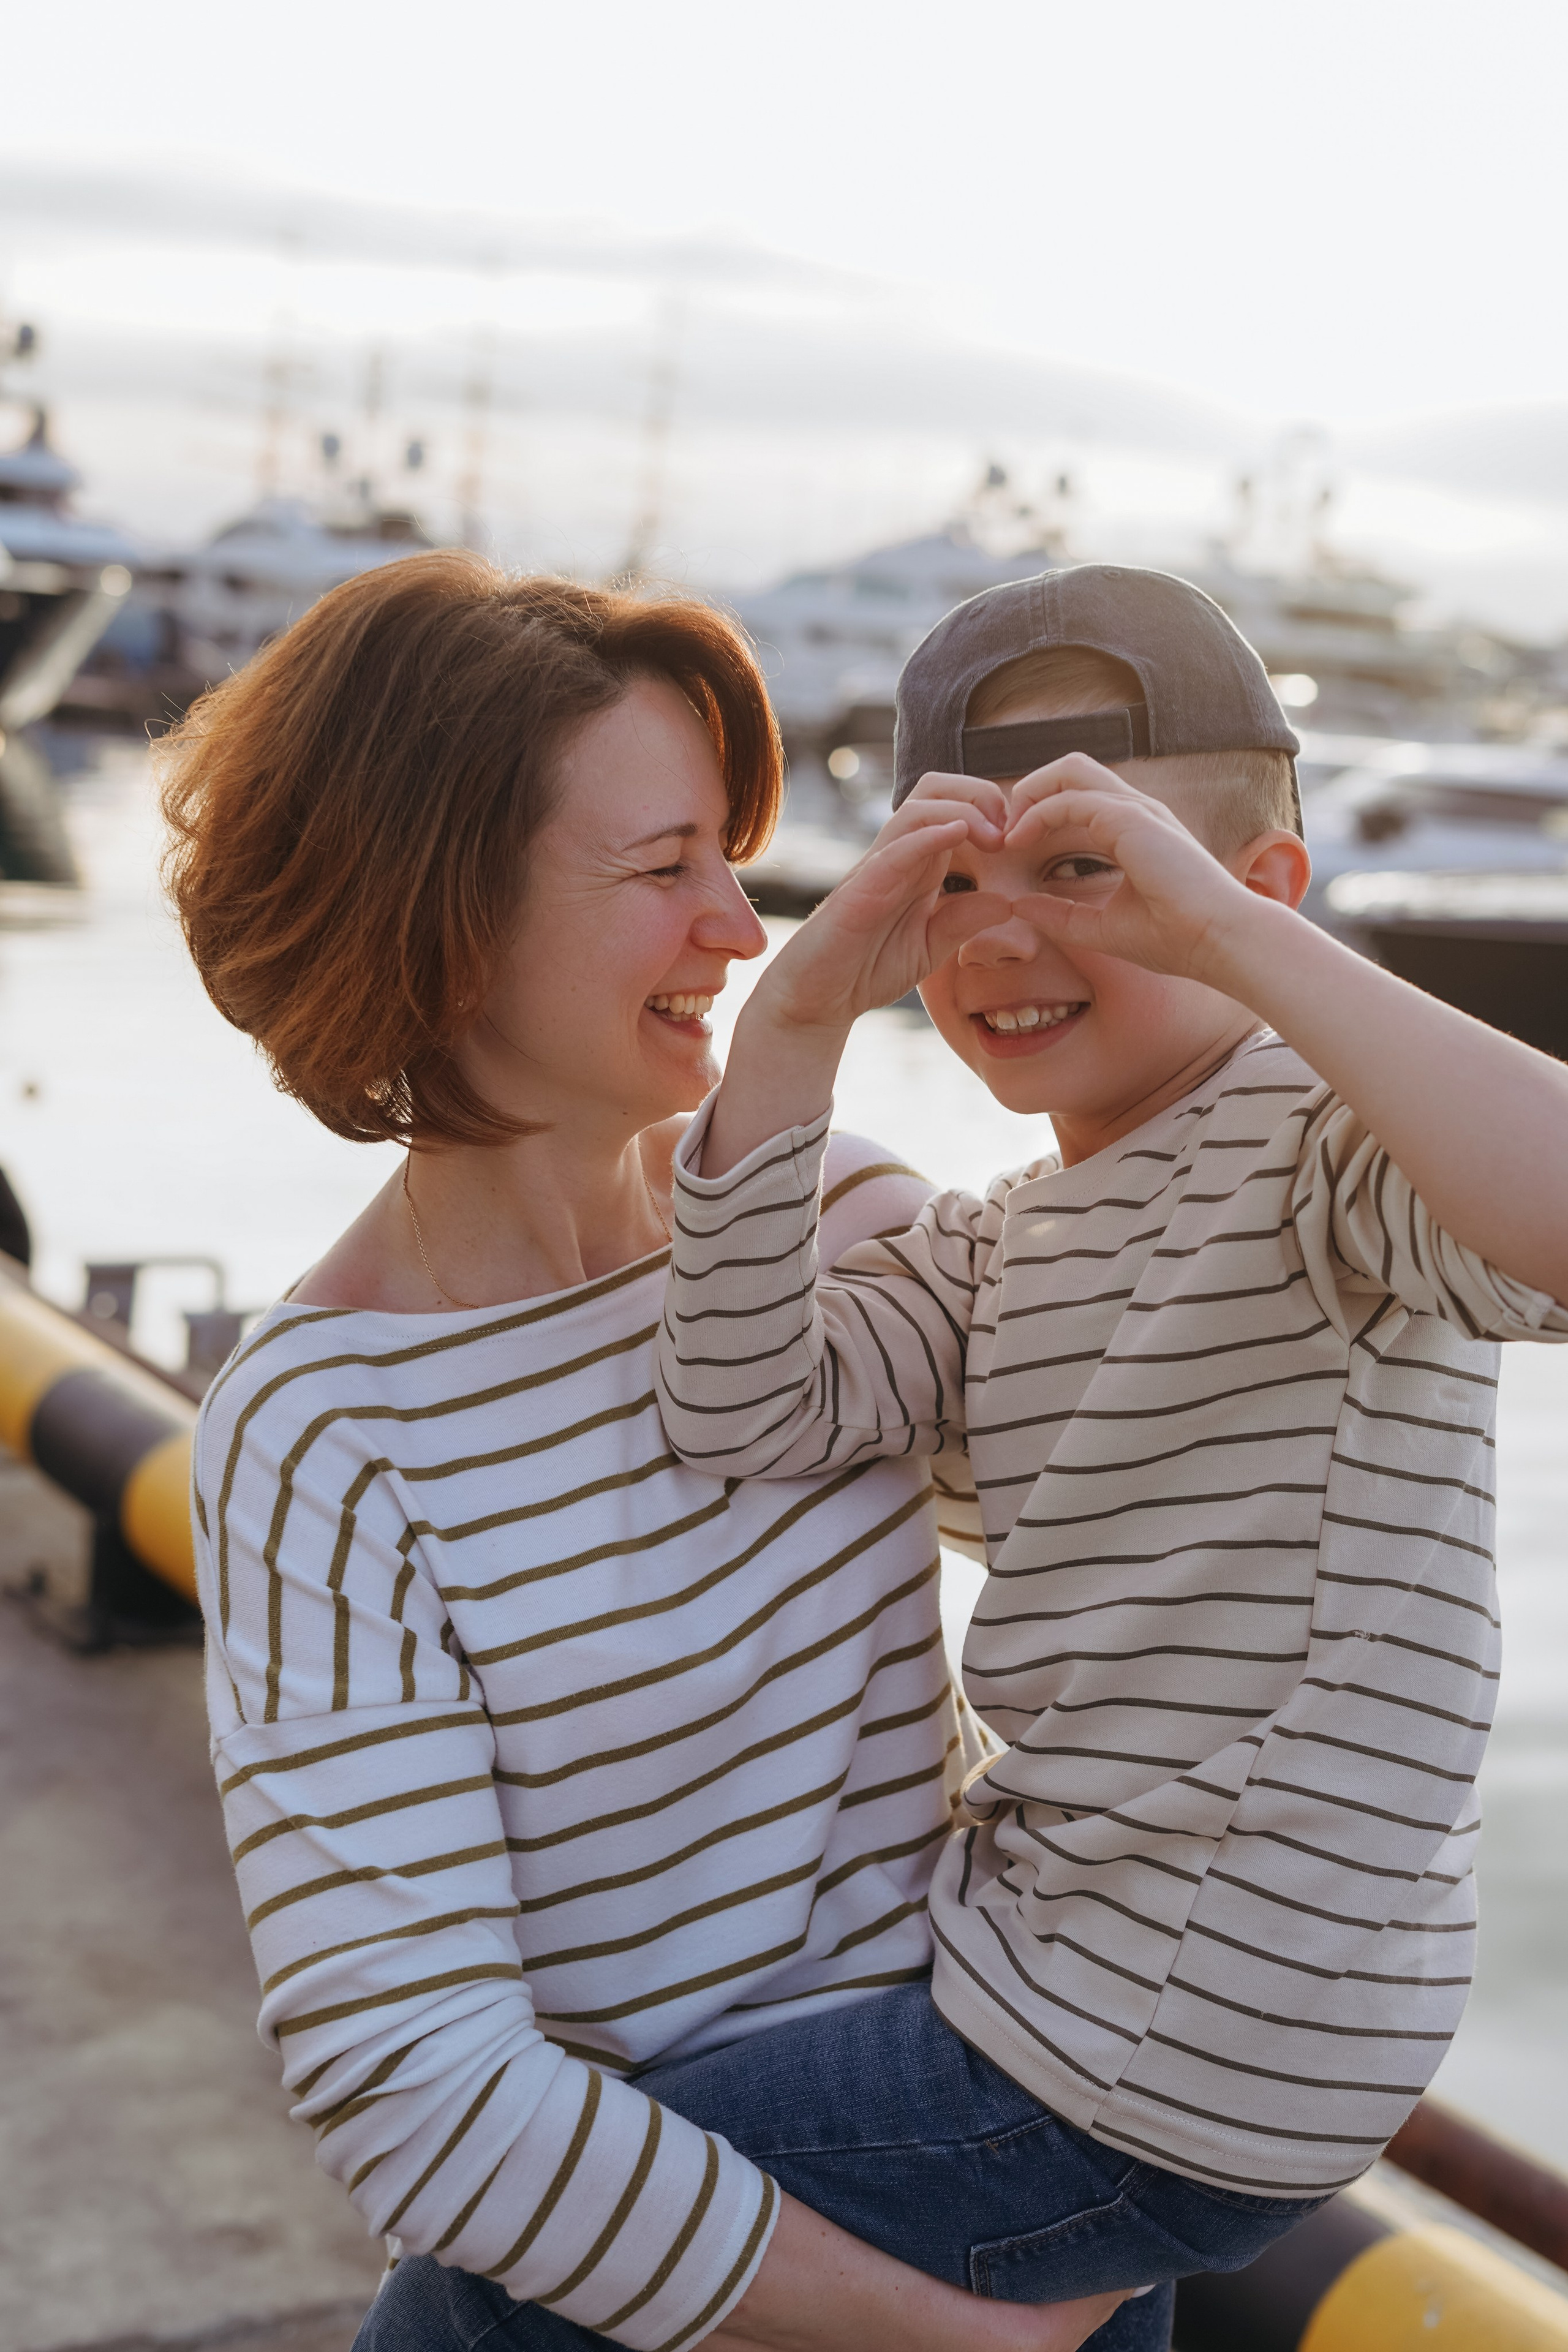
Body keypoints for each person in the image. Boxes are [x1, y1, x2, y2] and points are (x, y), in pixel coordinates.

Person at [159, 551, 1128, 2352]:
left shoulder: (835, 1221)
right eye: (662, 869)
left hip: (1006, 2210)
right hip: (710, 2315)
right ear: (444, 917)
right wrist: (949, 2342)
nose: (742, 932)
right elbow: (419, 2089)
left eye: (730, 860)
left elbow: (1146, 1525)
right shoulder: (325, 1429)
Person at [653, 565, 1568, 2320]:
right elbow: (740, 1406)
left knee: (543, 2230)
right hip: (1083, 1997)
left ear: (1262, 891)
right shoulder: (996, 1246)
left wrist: (1242, 947)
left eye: (1093, 869)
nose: (1006, 937)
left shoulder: (1326, 1159)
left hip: (1167, 2041)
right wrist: (796, 1014)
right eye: (952, 888)